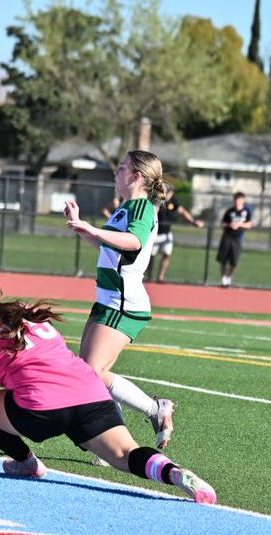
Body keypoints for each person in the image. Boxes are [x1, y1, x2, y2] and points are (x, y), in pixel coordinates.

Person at [0, 273, 216, 504]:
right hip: (90, 392)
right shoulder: (24, 313)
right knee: (126, 455)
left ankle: (26, 463)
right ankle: (174, 473)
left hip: (43, 408)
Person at [63, 150, 175, 450]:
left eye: (122, 166)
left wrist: (93, 228)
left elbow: (134, 243)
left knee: (93, 370)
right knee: (87, 372)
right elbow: (107, 246)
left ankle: (155, 411)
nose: (117, 171)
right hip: (108, 299)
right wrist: (80, 225)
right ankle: (111, 434)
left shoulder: (141, 207)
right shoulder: (125, 208)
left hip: (123, 303)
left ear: (136, 176)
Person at [145, 189, 204, 283]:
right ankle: (149, 276)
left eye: (171, 192)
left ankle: (160, 277)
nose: (169, 194)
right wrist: (160, 202)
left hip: (167, 233)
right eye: (167, 191)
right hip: (155, 234)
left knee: (167, 254)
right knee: (151, 256)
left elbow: (182, 211)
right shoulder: (157, 200)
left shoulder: (174, 201)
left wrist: (193, 222)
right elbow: (152, 211)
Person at [217, 192, 252, 288]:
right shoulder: (229, 211)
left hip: (237, 238)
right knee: (223, 260)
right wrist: (230, 224)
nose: (237, 202)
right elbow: (222, 224)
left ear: (243, 201)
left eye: (239, 200)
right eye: (236, 199)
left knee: (234, 262)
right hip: (227, 237)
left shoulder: (246, 212)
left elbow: (249, 225)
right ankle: (224, 280)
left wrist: (239, 224)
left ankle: (229, 277)